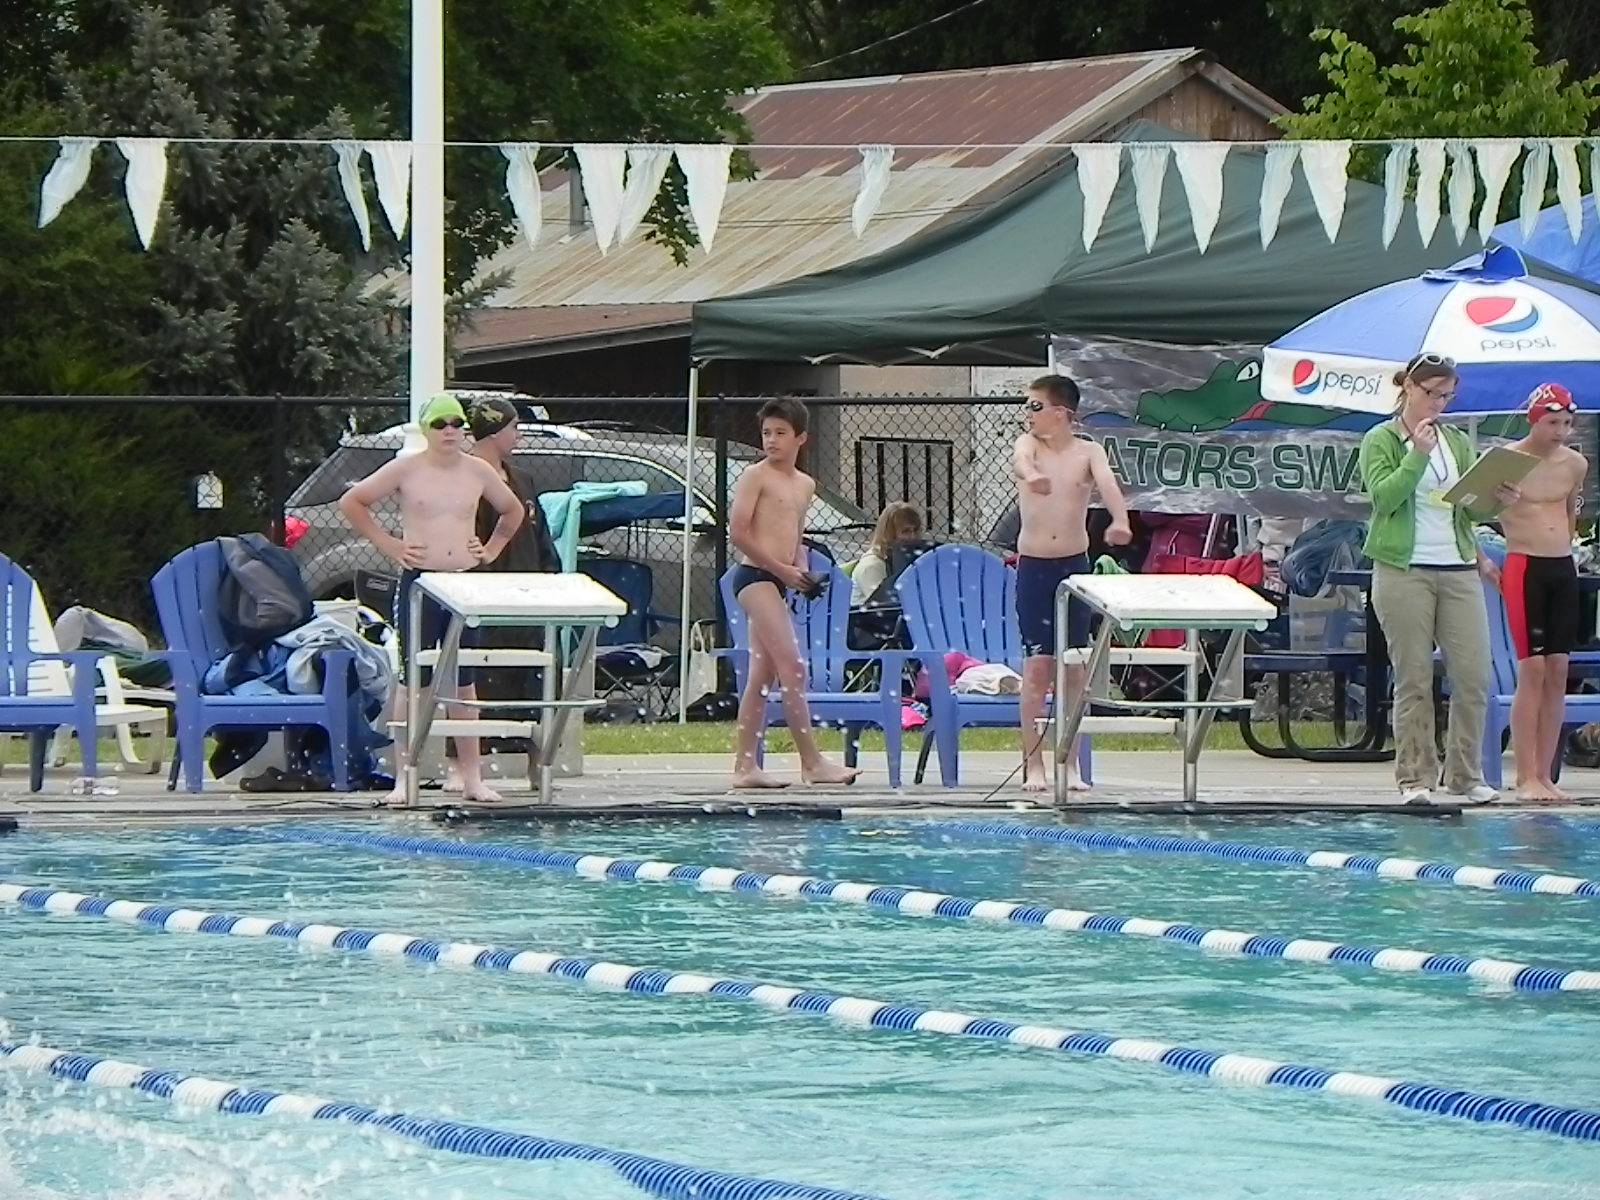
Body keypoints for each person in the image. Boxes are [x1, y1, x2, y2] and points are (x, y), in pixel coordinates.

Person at [338, 393, 525, 804]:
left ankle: (472, 778)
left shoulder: (477, 471)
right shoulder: (406, 468)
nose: (450, 431)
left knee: (464, 683)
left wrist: (491, 550)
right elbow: (352, 502)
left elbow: (513, 511)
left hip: (463, 584)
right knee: (412, 682)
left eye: (457, 424)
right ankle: (407, 776)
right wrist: (390, 545)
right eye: (441, 424)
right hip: (421, 584)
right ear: (425, 429)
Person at [1358, 353, 1517, 804]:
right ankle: (1415, 778)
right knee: (1413, 677)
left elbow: (1469, 508)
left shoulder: (1456, 442)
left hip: (1458, 566)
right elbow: (1384, 499)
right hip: (1403, 569)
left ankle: (1465, 774)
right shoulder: (1382, 439)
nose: (1440, 404)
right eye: (1433, 394)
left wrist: (1498, 499)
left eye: (1448, 396)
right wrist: (1416, 457)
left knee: (1472, 676)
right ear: (1409, 387)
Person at [727, 396, 861, 789]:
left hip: (782, 579)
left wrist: (799, 567)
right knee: (795, 668)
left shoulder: (805, 484)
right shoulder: (756, 476)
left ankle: (745, 767)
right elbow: (739, 532)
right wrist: (780, 569)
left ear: (801, 438)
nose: (771, 440)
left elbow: (795, 533)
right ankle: (812, 763)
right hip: (754, 578)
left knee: (761, 679)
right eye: (767, 433)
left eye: (781, 433)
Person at [1012, 373, 1132, 793]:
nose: (1027, 414)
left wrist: (1120, 521)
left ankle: (1072, 763)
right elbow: (1022, 463)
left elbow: (1109, 485)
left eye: (1034, 406)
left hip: (1074, 569)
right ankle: (1034, 765)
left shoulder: (1088, 452)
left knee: (1074, 671)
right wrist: (1031, 478)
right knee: (1037, 669)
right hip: (1034, 569)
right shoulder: (1030, 447)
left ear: (1061, 413)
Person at [1498, 383, 1588, 801]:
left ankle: (1545, 776)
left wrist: (1566, 545)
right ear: (1534, 419)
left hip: (1561, 568)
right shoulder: (1505, 463)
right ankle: (1524, 776)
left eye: (1567, 423)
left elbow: (1570, 511)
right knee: (1531, 670)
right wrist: (1497, 503)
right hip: (1525, 565)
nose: (1561, 431)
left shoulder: (1575, 464)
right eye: (1553, 422)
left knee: (1557, 672)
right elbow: (1469, 508)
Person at [850, 501, 926, 607]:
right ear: (888, 534)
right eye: (906, 531)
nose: (913, 536)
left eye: (916, 530)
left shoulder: (912, 557)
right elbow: (884, 607)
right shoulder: (872, 566)